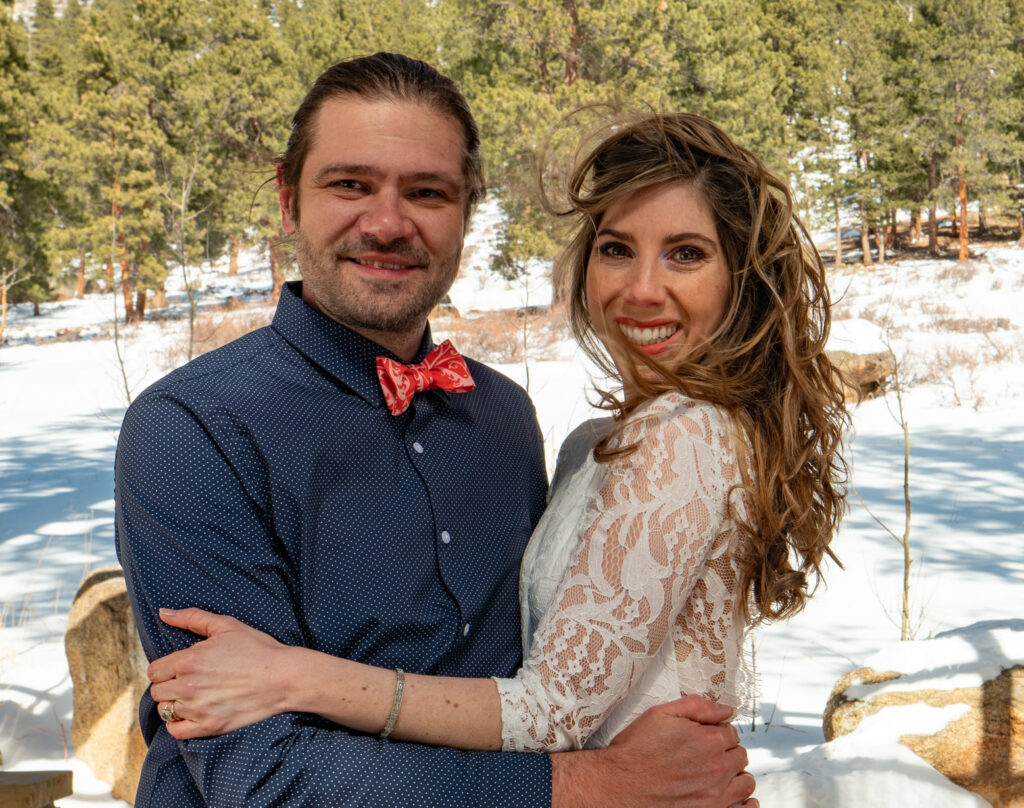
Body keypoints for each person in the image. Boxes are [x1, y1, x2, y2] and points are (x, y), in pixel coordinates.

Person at [143, 101, 850, 788]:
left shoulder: (532, 421)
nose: (641, 289)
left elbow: (551, 707)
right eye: (616, 249)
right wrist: (594, 785)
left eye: (686, 255)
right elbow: (256, 776)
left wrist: (299, 675)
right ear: (290, 198)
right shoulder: (192, 426)